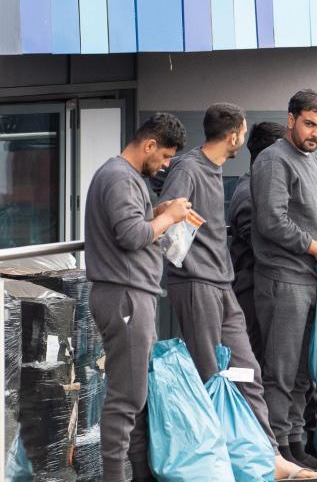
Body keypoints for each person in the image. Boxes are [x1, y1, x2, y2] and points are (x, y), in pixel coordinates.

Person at [159, 105, 317, 481]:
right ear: (235, 135)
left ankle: (270, 458)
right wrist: (183, 259)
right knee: (209, 373)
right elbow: (165, 218)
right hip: (196, 283)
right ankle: (211, 463)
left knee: (246, 370)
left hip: (222, 283)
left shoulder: (212, 169)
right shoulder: (188, 167)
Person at [86, 113, 189, 482]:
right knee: (127, 397)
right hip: (125, 296)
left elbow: (134, 226)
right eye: (163, 158)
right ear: (149, 145)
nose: (164, 166)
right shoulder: (119, 177)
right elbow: (131, 236)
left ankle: (141, 472)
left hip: (131, 293)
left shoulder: (124, 178)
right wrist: (170, 215)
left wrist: (156, 214)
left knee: (138, 394)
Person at [251, 90, 317, 475]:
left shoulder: (310, 162)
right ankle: (279, 451)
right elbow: (272, 220)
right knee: (281, 371)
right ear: (290, 119)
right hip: (282, 279)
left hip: (313, 281)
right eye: (310, 124)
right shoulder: (274, 160)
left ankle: (297, 445)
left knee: (304, 371)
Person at [229, 121, 286, 363]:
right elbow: (262, 245)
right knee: (255, 365)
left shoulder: (263, 188)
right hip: (252, 292)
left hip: (263, 289)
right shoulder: (249, 193)